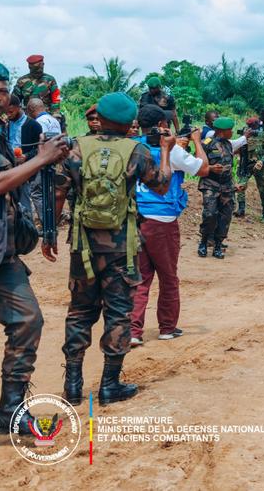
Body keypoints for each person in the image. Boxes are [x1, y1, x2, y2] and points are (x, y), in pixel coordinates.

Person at [52, 92, 173, 407]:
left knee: (79, 312)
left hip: (83, 246)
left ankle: (73, 385)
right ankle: (109, 385)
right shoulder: (136, 150)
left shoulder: (76, 148)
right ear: (129, 122)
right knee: (119, 313)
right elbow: (161, 185)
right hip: (122, 248)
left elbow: (58, 192)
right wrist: (164, 150)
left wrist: (49, 234)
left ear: (99, 118)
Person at [0, 62, 69, 449]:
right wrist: (41, 160)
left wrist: (39, 159)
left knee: (28, 319)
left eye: (1, 91)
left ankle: (11, 411)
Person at [130, 105, 209, 346]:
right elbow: (203, 168)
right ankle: (167, 327)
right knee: (168, 276)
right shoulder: (171, 150)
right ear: (163, 125)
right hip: (162, 220)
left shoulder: (132, 146)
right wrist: (196, 141)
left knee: (140, 278)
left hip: (136, 217)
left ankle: (133, 331)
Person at [197, 117, 250, 259]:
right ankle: (203, 242)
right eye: (229, 130)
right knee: (210, 214)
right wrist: (210, 168)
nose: (232, 132)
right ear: (221, 131)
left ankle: (218, 245)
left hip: (226, 186)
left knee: (225, 216)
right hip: (210, 184)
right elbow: (197, 165)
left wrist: (234, 185)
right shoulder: (206, 144)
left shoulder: (228, 145)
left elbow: (229, 168)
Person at [235, 117, 264, 221]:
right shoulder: (244, 136)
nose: (250, 128)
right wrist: (238, 159)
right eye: (249, 126)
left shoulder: (262, 136)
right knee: (241, 185)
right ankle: (241, 209)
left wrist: (262, 161)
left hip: (258, 165)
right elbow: (239, 149)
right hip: (246, 165)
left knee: (262, 189)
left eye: (253, 126)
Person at [12, 54, 61, 121]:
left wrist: (55, 116)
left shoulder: (50, 80)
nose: (40, 70)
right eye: (37, 68)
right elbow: (14, 101)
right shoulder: (22, 81)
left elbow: (56, 100)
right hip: (27, 118)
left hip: (47, 117)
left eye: (42, 67)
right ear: (30, 67)